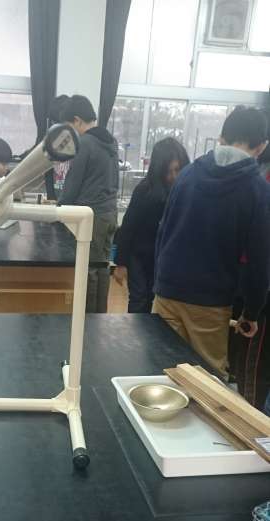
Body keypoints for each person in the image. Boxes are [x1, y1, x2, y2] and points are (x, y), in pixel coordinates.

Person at [153, 106, 270, 375]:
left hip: (167, 290)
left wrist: (160, 281)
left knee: (161, 368)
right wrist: (252, 312)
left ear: (221, 138)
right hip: (209, 300)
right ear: (261, 146)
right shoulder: (258, 191)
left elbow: (163, 231)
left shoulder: (187, 174)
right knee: (207, 376)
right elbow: (260, 261)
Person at [58, 95, 119, 313]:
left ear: (77, 120)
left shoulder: (85, 143)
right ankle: (99, 318)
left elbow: (72, 185)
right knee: (102, 266)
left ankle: (88, 322)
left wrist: (58, 209)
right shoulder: (110, 142)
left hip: (92, 217)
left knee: (89, 270)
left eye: (69, 127)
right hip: (109, 214)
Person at [114, 138, 189, 313]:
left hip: (165, 258)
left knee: (159, 301)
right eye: (168, 171)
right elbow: (128, 227)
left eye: (177, 170)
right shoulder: (144, 191)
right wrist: (121, 263)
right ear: (158, 170)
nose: (173, 176)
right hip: (139, 256)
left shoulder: (186, 192)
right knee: (139, 299)